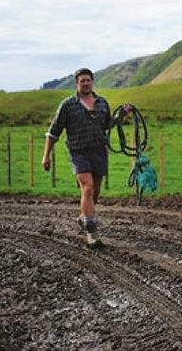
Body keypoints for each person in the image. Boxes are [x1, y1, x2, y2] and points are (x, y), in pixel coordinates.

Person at [42, 68, 129, 248]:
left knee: (95, 192)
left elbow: (108, 125)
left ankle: (85, 217)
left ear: (92, 81)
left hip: (99, 150)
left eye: (88, 80)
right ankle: (92, 233)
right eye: (82, 80)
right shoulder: (67, 105)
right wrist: (46, 156)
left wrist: (122, 116)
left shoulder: (102, 102)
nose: (86, 83)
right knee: (87, 188)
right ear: (77, 83)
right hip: (78, 151)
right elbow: (53, 132)